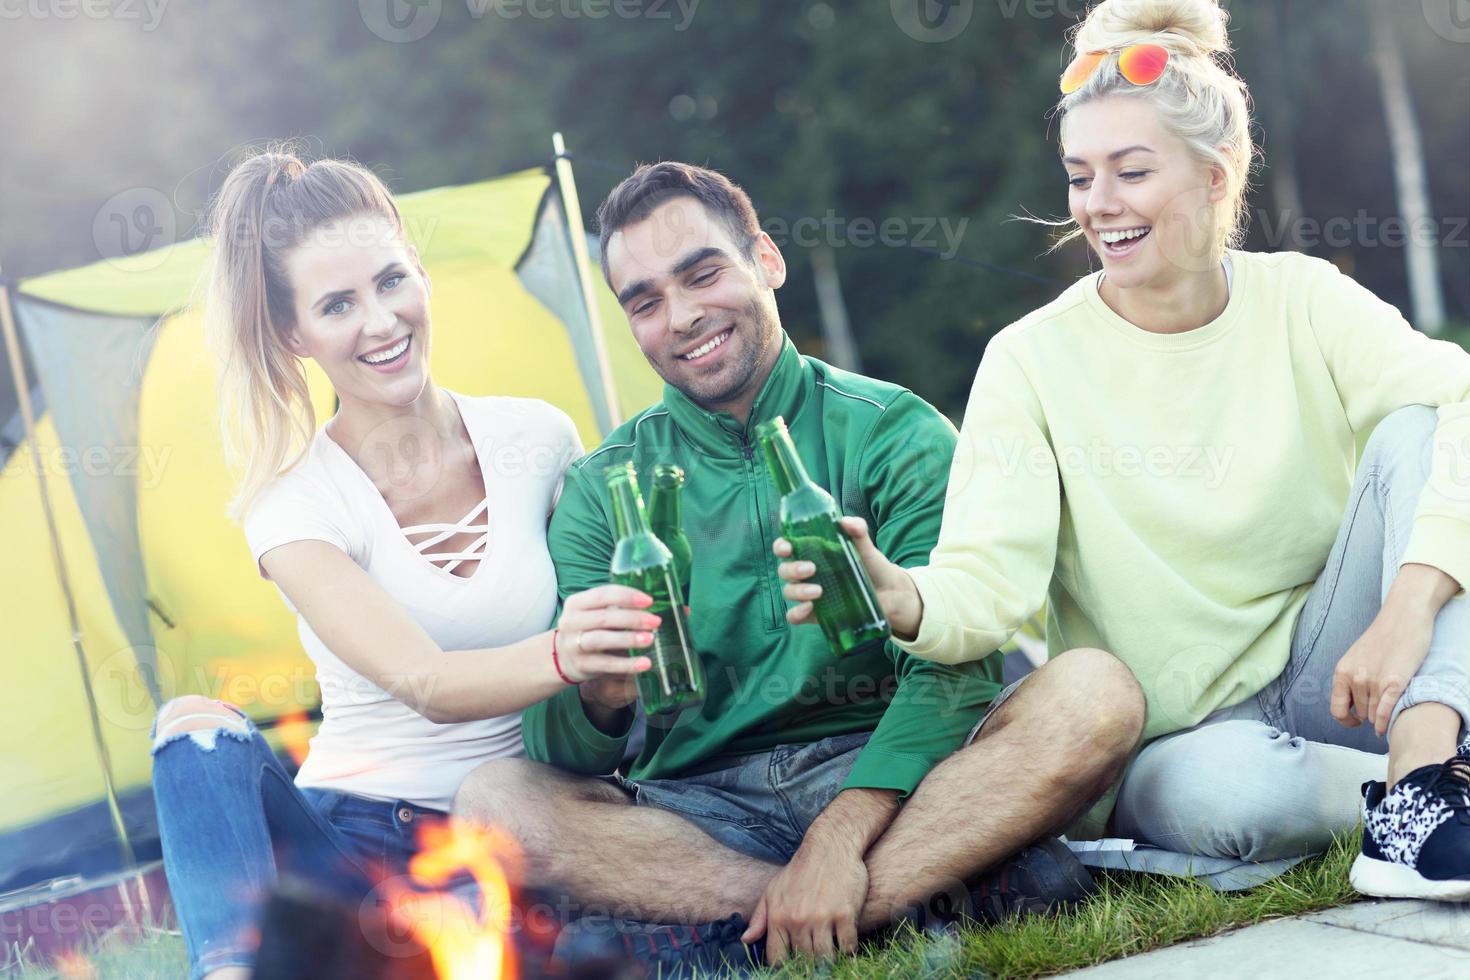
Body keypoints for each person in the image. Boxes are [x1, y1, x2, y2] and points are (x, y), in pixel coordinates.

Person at [792, 0, 1470, 900]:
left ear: (1218, 174)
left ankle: (1424, 778)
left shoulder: (1304, 299)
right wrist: (904, 595)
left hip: (1339, 676)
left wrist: (1407, 610)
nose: (1098, 205)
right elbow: (990, 585)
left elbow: (1457, 406)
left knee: (1426, 425)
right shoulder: (1030, 361)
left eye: (1131, 171)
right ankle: (1429, 792)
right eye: (1079, 176)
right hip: (1181, 742)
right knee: (1231, 795)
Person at [453, 161, 1147, 974]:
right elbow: (564, 759)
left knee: (1096, 693)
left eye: (702, 273)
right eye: (644, 302)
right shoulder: (603, 488)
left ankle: (773, 923)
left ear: (767, 261)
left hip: (895, 778)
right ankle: (869, 903)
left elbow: (957, 669)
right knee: (491, 803)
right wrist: (601, 695)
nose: (680, 316)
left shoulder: (895, 431)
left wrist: (840, 835)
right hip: (695, 812)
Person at [149, 148, 659, 980]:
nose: (380, 322)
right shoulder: (293, 506)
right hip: (346, 840)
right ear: (295, 334)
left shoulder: (539, 438)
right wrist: (567, 650)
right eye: (338, 304)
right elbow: (427, 682)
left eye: (391, 281)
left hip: (503, 828)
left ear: (420, 272)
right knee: (192, 727)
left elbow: (622, 645)